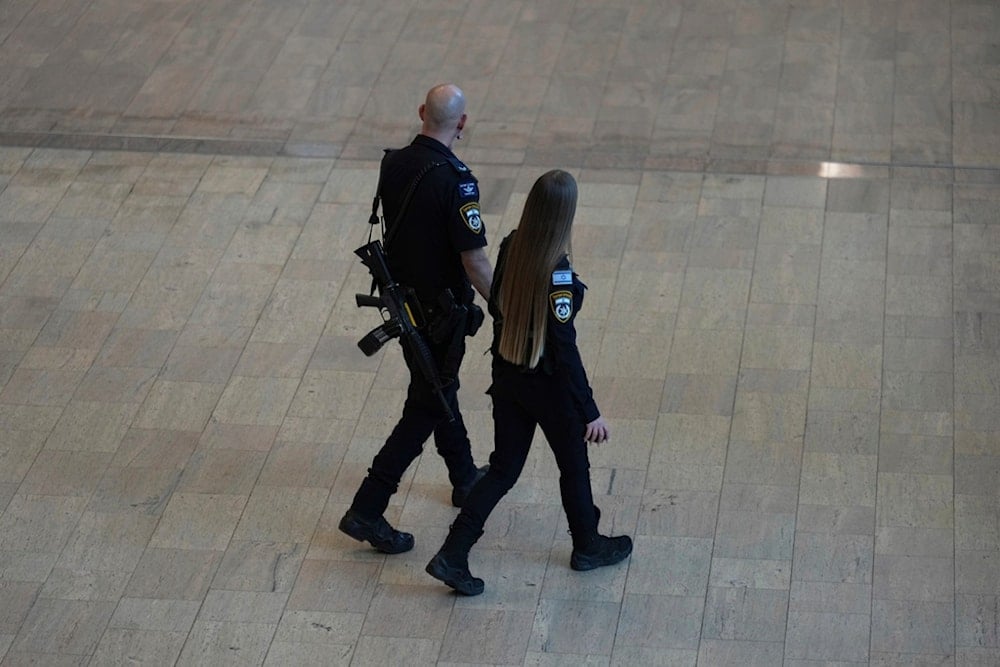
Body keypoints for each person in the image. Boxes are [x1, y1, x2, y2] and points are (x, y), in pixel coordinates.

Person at [425, 169, 632, 596]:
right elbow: (565, 349)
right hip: (548, 387)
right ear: (565, 215)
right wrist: (590, 410)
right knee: (573, 466)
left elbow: (500, 301)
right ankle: (587, 546)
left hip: (508, 375)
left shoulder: (511, 244)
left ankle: (453, 552)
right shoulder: (557, 272)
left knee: (502, 470)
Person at [339, 84, 493, 554]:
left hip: (405, 308)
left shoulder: (395, 162)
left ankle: (465, 477)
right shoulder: (456, 180)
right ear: (462, 123)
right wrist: (507, 307)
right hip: (441, 316)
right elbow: (475, 261)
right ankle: (367, 508)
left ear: (421, 112)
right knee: (426, 406)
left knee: (437, 390)